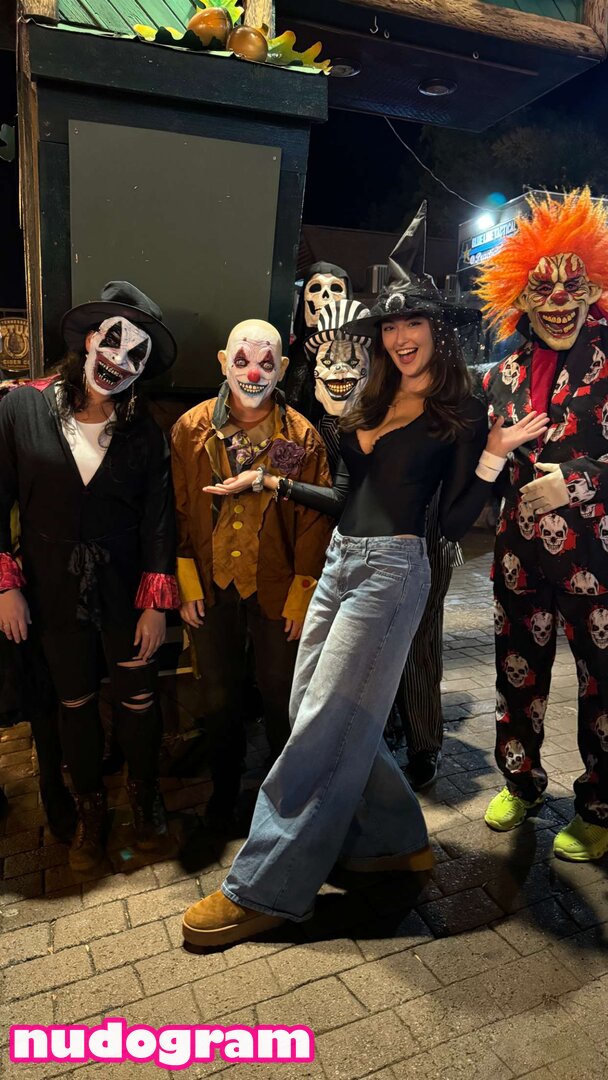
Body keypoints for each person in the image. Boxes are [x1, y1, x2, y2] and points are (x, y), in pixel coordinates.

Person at [180, 270, 548, 946]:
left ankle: (264, 887)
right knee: (311, 707)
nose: (401, 336)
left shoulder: (462, 412)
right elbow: (348, 500)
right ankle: (392, 840)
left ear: (438, 330)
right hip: (341, 562)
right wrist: (270, 480)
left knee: (323, 725)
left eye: (414, 323)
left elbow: (452, 522)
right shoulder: (371, 400)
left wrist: (493, 455)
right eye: (390, 325)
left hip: (394, 571)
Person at [0, 281, 180, 871]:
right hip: (50, 590)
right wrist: (6, 585)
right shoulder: (21, 408)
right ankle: (91, 811)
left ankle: (146, 802)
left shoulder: (144, 429)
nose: (119, 361)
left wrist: (155, 603)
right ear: (88, 340)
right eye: (113, 343)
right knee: (73, 702)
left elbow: (158, 521)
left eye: (136, 355)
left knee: (138, 698)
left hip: (126, 588)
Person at [477, 188, 608, 861]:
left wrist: (580, 480)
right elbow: (483, 458)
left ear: (594, 289)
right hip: (518, 559)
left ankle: (601, 806)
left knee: (603, 684)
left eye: (572, 284)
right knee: (516, 675)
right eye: (542, 287)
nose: (558, 299)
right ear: (520, 298)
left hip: (597, 559)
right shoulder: (499, 376)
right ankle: (521, 782)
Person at [171, 319, 332, 833]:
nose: (254, 373)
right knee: (217, 695)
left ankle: (284, 792)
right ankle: (223, 789)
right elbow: (178, 509)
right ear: (223, 362)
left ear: (282, 368)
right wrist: (186, 584)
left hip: (276, 587)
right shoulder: (190, 429)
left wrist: (303, 594)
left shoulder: (300, 436)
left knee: (281, 692)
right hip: (212, 586)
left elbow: (314, 523)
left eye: (266, 363)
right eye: (242, 361)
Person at [284, 261, 353, 418]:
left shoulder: (356, 351)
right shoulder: (294, 353)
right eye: (315, 288)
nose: (325, 295)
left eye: (335, 288)